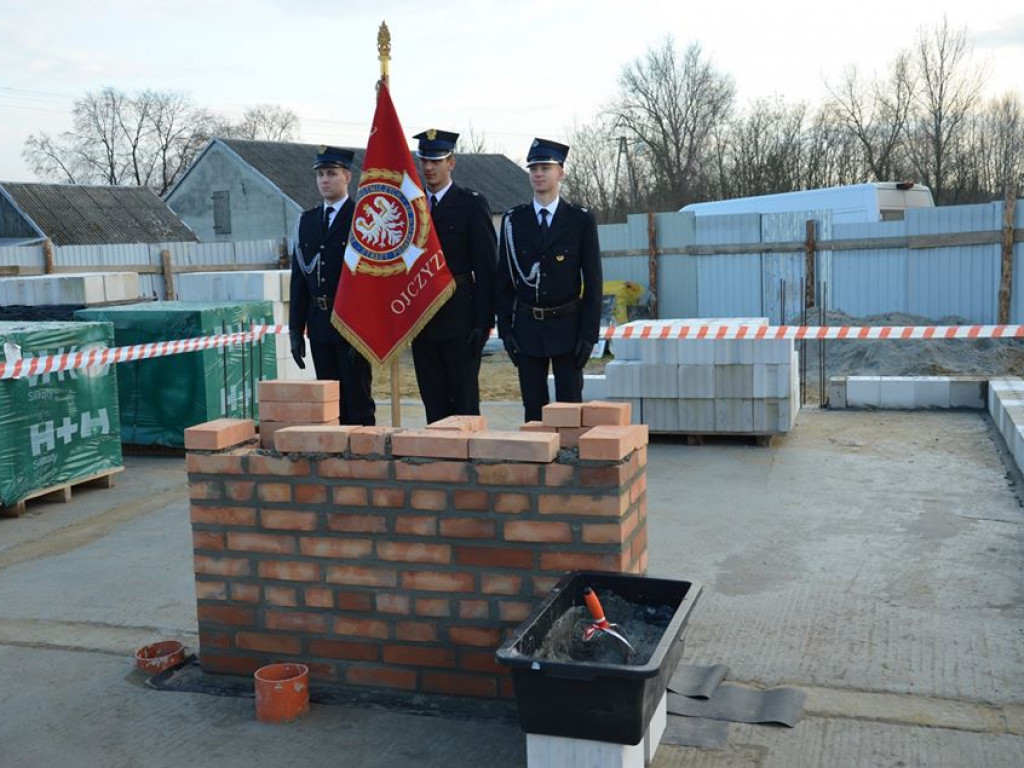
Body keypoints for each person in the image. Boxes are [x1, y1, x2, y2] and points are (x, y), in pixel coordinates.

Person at [495, 138, 602, 422]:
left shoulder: (580, 220)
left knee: (569, 411)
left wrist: (589, 335)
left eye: (545, 168)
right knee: (533, 412)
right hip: (528, 327)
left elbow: (593, 281)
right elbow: (504, 280)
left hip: (568, 327)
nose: (538, 174)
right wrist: (506, 330)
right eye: (533, 168)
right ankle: (536, 453)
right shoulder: (514, 220)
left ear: (561, 173)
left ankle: (568, 452)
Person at [410, 128, 497, 423]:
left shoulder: (470, 204)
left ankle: (468, 454)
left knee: (464, 404)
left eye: (436, 160)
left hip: (460, 317)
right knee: (433, 403)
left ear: (451, 163)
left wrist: (484, 321)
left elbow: (486, 268)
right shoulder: (412, 206)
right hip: (422, 318)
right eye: (424, 160)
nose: (429, 167)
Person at [289, 145, 375, 425]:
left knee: (358, 403)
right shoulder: (307, 221)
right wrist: (295, 330)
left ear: (347, 177)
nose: (325, 180)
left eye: (332, 173)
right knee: (330, 405)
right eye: (321, 174)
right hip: (319, 324)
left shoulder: (362, 218)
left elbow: (372, 281)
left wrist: (364, 331)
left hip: (352, 325)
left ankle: (364, 450)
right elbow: (299, 279)